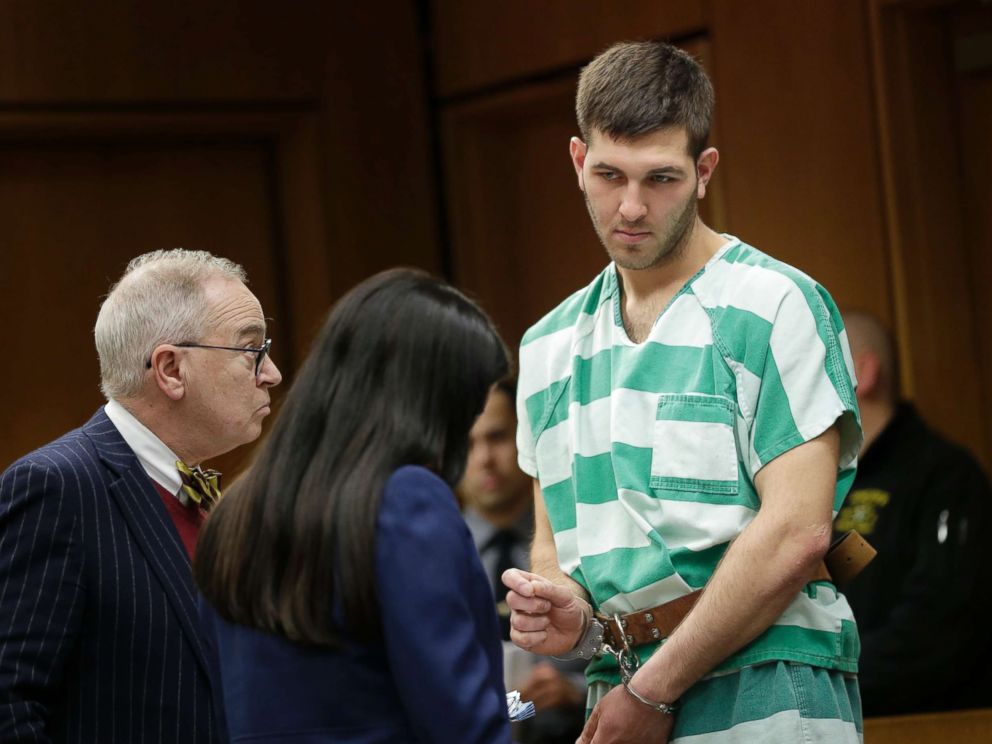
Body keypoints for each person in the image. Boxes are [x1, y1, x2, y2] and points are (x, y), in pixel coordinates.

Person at [501, 41, 864, 743]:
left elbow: (797, 534)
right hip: (619, 684)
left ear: (704, 172)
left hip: (767, 675)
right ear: (578, 161)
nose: (631, 206)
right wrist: (566, 607)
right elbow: (552, 545)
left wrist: (653, 689)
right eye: (609, 174)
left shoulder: (774, 303)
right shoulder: (546, 346)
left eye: (660, 178)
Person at [195, 268, 512, 743]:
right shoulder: (406, 501)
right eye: (462, 415)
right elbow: (461, 721)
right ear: (431, 406)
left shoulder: (235, 511)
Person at [0, 249, 282, 742]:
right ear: (171, 369)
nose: (271, 372)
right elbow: (10, 703)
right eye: (250, 349)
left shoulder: (204, 494)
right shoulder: (58, 486)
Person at [834, 310, 992, 715]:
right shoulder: (823, 486)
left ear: (863, 374)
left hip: (926, 722)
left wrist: (833, 685)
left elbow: (941, 627)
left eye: (818, 367)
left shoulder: (943, 475)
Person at [458, 380, 586, 744]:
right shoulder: (431, 556)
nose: (484, 458)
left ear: (523, 439)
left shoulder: (574, 539)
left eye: (496, 437)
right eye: (468, 445)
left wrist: (576, 691)